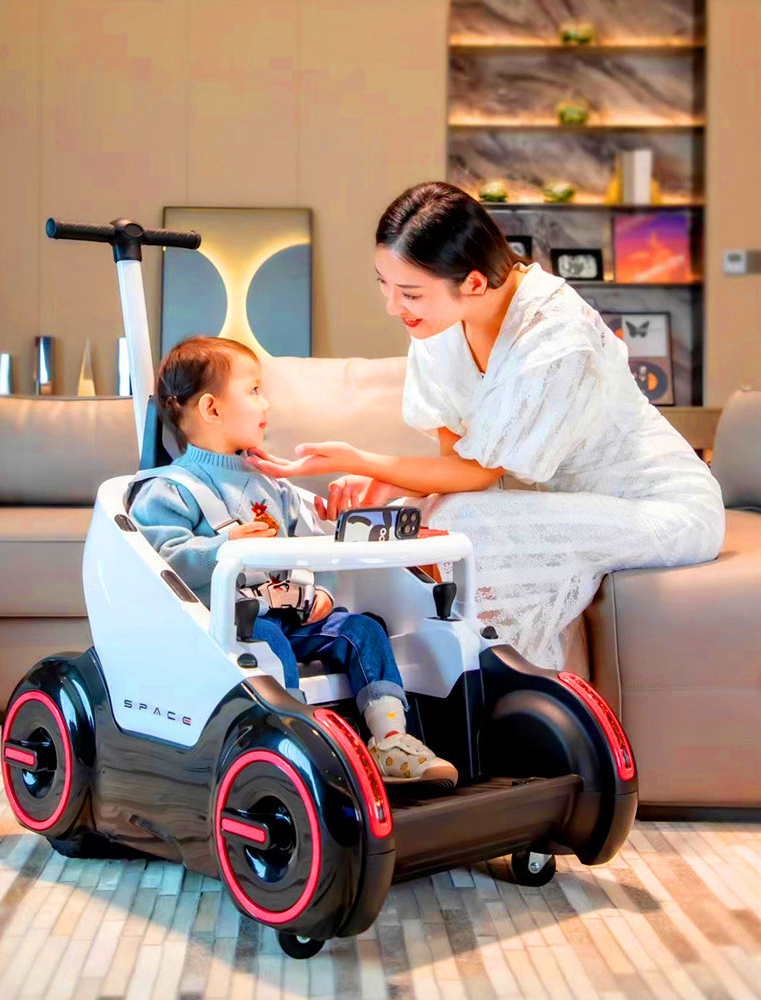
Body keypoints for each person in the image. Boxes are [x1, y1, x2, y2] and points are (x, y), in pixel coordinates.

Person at [245, 181, 726, 672]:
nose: (393, 305)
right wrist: (390, 485)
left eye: (410, 293)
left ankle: (505, 684)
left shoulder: (554, 334)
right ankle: (413, 678)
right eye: (384, 284)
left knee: (464, 523)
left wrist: (362, 461)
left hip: (663, 506)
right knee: (404, 519)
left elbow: (478, 474)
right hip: (582, 503)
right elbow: (457, 465)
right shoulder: (436, 328)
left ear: (475, 283)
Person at [128, 335, 458, 788]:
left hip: (293, 617)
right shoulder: (171, 489)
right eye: (254, 390)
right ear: (211, 408)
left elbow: (314, 545)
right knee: (266, 641)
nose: (266, 402)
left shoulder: (275, 485)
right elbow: (162, 561)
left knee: (364, 630)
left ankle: (391, 742)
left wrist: (321, 591)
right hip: (227, 628)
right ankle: (298, 744)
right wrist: (223, 546)